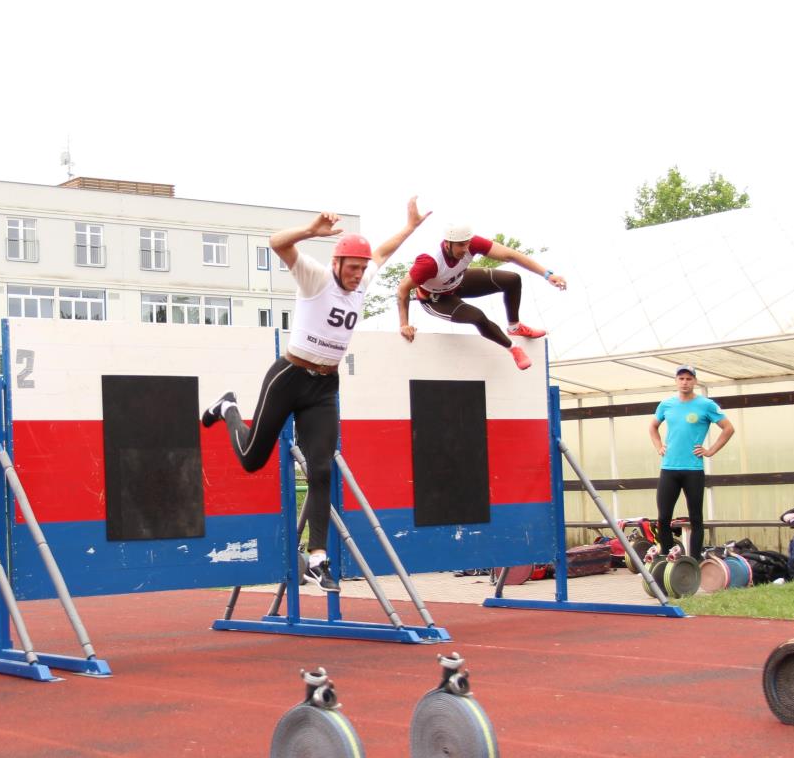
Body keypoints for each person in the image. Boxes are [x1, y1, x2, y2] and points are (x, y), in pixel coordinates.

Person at [202, 197, 431, 591]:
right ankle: (228, 407)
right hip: (289, 376)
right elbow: (277, 243)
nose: (359, 275)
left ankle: (319, 557)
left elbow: (382, 253)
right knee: (252, 460)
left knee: (322, 468)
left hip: (324, 387)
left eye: (362, 269)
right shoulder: (317, 278)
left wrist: (409, 227)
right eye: (353, 268)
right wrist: (310, 231)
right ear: (337, 264)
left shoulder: (362, 280)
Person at [396, 221, 566, 370]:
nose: (465, 249)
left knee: (512, 279)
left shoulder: (472, 243)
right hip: (436, 298)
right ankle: (513, 348)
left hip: (457, 282)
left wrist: (547, 275)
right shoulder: (429, 262)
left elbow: (511, 255)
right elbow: (403, 289)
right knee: (477, 317)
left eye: (467, 244)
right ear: (448, 244)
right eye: (460, 245)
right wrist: (404, 324)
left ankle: (515, 327)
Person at [647, 365, 733, 557]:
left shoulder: (706, 405)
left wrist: (710, 450)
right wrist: (659, 446)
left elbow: (728, 428)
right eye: (681, 379)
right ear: (676, 381)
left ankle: (694, 562)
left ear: (694, 381)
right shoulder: (666, 404)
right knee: (663, 517)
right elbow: (653, 427)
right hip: (669, 468)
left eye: (688, 378)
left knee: (696, 518)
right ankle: (667, 558)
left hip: (693, 470)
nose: (684, 382)